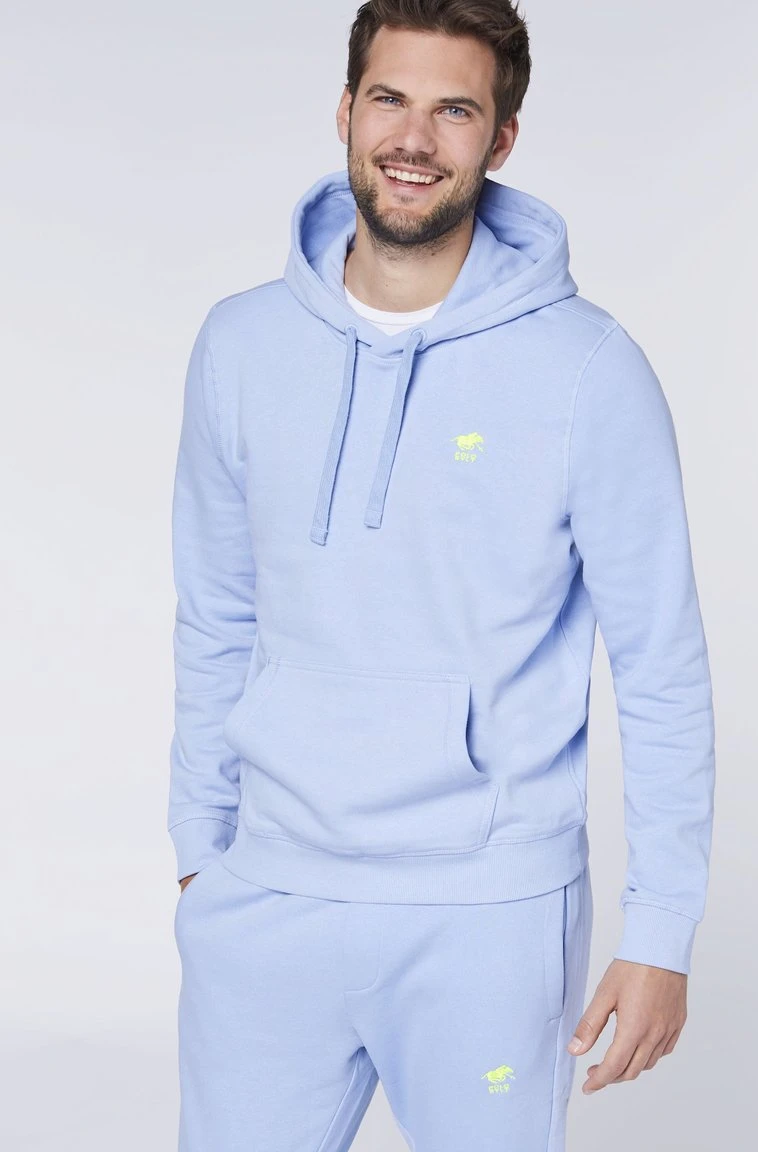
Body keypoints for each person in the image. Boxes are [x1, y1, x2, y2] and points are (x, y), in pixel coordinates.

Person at [167, 2, 716, 1149]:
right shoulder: (240, 346)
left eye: (453, 110)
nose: (412, 139)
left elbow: (659, 663)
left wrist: (658, 931)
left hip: (486, 915)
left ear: (500, 138)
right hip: (265, 900)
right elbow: (215, 616)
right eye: (389, 99)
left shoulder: (587, 370)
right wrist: (200, 855)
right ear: (344, 111)